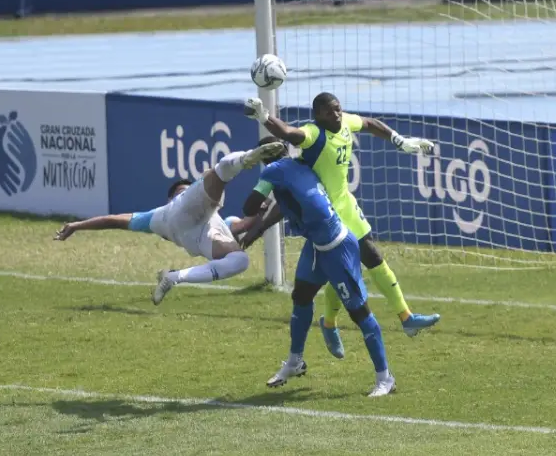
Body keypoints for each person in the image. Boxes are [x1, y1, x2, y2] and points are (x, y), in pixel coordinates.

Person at [245, 84, 440, 357]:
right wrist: (264, 116)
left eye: (338, 108)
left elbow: (371, 123)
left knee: (372, 256)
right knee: (342, 271)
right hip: (325, 213)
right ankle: (329, 322)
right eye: (329, 112)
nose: (337, 115)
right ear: (318, 116)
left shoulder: (346, 121)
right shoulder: (313, 134)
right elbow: (288, 132)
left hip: (345, 204)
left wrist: (399, 140)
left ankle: (406, 318)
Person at [242, 138, 396, 397]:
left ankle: (385, 378)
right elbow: (283, 205)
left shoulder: (272, 172)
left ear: (261, 157)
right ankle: (295, 362)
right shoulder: (299, 166)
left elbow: (248, 207)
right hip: (316, 245)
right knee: (301, 296)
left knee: (360, 313)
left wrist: (258, 204)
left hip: (337, 247)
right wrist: (259, 229)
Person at [55, 139, 287, 305]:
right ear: (171, 197)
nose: (184, 190)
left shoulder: (213, 223)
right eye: (180, 189)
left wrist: (264, 208)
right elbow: (114, 219)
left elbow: (243, 227)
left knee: (240, 260)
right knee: (217, 172)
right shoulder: (162, 212)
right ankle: (249, 157)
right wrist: (77, 225)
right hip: (186, 215)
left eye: (185, 189)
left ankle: (173, 277)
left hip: (200, 235)